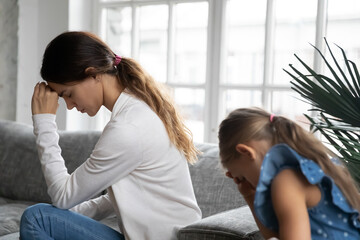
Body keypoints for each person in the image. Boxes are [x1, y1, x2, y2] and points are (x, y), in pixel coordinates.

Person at [20, 31, 201, 240]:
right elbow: (122, 197)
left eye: (68, 94)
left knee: (37, 218)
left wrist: (43, 122)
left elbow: (62, 196)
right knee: (47, 218)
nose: (68, 106)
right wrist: (65, 217)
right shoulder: (139, 110)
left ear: (94, 74)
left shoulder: (128, 129)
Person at [218, 107, 360, 240]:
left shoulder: (287, 180)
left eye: (242, 177)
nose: (246, 182)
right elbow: (275, 234)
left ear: (246, 152)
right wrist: (249, 196)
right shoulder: (313, 168)